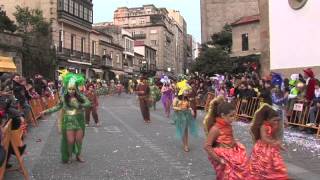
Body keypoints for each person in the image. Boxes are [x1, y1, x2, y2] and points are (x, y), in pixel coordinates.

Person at [41, 73, 91, 163]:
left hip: (79, 120)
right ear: (67, 89)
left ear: (76, 89)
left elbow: (88, 103)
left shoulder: (80, 97)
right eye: (69, 89)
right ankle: (70, 155)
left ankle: (78, 155)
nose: (71, 91)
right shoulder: (64, 98)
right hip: (69, 121)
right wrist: (45, 111)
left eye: (73, 89)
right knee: (70, 140)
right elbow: (57, 107)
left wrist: (79, 105)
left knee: (79, 140)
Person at [204, 100, 248, 179]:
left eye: (234, 115)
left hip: (232, 154)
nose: (233, 118)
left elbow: (228, 137)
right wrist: (219, 160)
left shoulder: (228, 125)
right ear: (223, 115)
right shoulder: (215, 128)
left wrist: (234, 142)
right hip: (224, 157)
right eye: (231, 116)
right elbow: (207, 146)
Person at [248, 104, 288, 179]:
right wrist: (274, 143)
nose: (276, 122)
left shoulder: (272, 126)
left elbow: (274, 137)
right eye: (274, 120)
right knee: (262, 163)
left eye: (277, 120)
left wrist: (279, 145)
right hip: (262, 148)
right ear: (267, 120)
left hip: (271, 148)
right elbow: (264, 138)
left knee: (274, 163)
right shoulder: (263, 126)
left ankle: (272, 174)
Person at [172, 80, 198, 152]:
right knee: (182, 131)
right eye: (185, 91)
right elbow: (173, 107)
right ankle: (185, 144)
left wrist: (191, 110)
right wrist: (180, 108)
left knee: (186, 131)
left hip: (186, 116)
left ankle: (186, 145)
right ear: (181, 91)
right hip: (179, 116)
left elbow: (189, 106)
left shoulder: (187, 99)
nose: (187, 92)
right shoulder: (176, 99)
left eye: (187, 91)